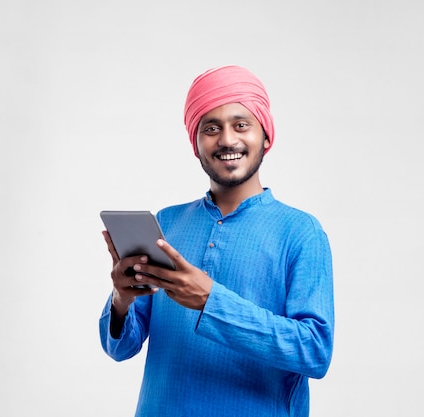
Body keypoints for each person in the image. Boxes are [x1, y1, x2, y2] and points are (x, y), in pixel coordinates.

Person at [99, 65, 334, 417]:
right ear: (196, 144)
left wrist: (211, 300)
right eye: (211, 128)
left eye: (241, 125)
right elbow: (120, 348)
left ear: (266, 136)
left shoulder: (301, 232)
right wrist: (122, 298)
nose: (226, 139)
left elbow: (315, 352)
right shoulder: (167, 222)